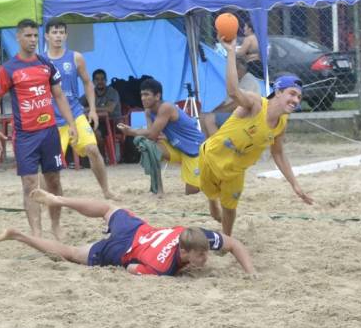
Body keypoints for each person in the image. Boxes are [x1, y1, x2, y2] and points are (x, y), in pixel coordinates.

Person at [0, 188, 256, 276]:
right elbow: (132, 269)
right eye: (200, 256)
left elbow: (234, 244)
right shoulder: (162, 267)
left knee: (109, 207)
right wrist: (179, 271)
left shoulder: (197, 234)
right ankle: (19, 235)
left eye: (205, 253)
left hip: (140, 231)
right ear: (184, 251)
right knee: (74, 253)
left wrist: (251, 272)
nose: (205, 258)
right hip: (124, 249)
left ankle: (59, 200)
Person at [200, 37, 313, 236]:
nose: (295, 100)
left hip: (236, 169)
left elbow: (278, 154)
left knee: (230, 207)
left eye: (298, 97)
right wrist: (231, 52)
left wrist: (294, 184)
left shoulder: (281, 123)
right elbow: (233, 91)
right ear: (277, 92)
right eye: (292, 93)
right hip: (212, 157)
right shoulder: (255, 104)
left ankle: (227, 240)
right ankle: (211, 200)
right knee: (208, 191)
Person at [0, 18, 78, 241]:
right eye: (28, 36)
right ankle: (36, 233)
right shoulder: (8, 69)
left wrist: (72, 123)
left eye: (35, 36)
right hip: (25, 136)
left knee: (54, 181)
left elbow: (59, 95)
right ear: (18, 37)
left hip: (49, 132)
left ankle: (56, 225)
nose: (32, 40)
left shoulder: (46, 64)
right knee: (29, 183)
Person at [44, 18, 116, 199]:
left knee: (92, 149)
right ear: (46, 36)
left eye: (61, 32)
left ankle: (106, 190)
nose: (58, 36)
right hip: (52, 118)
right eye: (54, 32)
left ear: (66, 35)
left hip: (75, 113)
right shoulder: (40, 60)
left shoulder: (75, 57)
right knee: (51, 166)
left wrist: (91, 109)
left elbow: (87, 83)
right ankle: (49, 197)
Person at [117, 78, 205, 195]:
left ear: (157, 96)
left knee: (192, 192)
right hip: (176, 147)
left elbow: (152, 133)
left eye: (146, 94)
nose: (143, 98)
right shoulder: (148, 111)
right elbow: (152, 137)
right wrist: (140, 135)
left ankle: (208, 177)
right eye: (142, 94)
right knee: (148, 146)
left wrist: (131, 131)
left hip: (194, 150)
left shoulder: (166, 107)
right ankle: (158, 189)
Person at [201, 55, 260, 137]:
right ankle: (205, 145)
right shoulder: (237, 81)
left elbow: (238, 104)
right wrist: (214, 110)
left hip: (243, 117)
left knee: (209, 119)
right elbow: (225, 102)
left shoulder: (249, 81)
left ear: (239, 69)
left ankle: (217, 147)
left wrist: (218, 111)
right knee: (202, 116)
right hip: (233, 114)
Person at [90, 68, 122, 152]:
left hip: (113, 123)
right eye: (97, 79)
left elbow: (109, 109)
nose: (100, 82)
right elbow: (78, 105)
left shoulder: (112, 92)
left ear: (106, 80)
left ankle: (102, 157)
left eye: (102, 79)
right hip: (98, 122)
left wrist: (91, 109)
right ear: (93, 81)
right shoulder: (91, 93)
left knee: (95, 133)